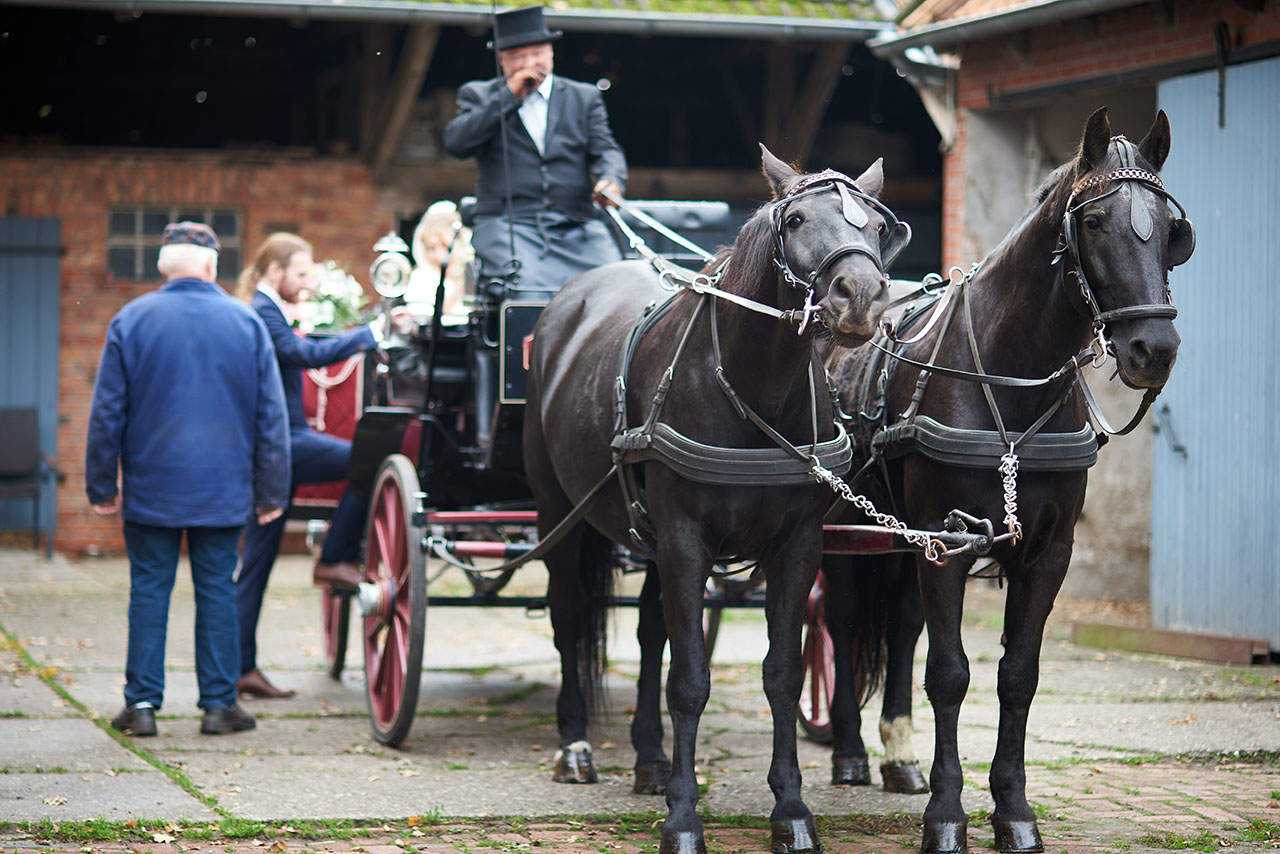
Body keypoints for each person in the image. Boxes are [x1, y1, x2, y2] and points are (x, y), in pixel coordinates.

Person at [86, 222, 290, 738]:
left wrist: (101, 484)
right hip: (223, 489)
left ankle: (142, 706)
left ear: (162, 265)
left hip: (153, 486)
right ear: (211, 265)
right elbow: (271, 416)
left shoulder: (131, 320)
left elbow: (107, 411)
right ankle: (220, 706)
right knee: (218, 590)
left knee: (149, 590)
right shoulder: (245, 323)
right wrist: (271, 490)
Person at [233, 232, 407, 700]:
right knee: (368, 459)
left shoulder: (269, 307)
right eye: (303, 272)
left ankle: (240, 669)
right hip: (281, 443)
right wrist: (369, 335)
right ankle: (332, 558)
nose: (309, 282)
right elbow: (301, 355)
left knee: (256, 564)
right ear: (276, 270)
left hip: (284, 441)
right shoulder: (262, 309)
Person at [444, 5, 627, 292]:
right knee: (527, 292)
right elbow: (457, 143)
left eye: (538, 54)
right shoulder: (479, 95)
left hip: (576, 225)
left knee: (616, 285)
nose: (530, 63)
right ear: (502, 61)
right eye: (518, 57)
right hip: (508, 225)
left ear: (551, 53)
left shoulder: (583, 97)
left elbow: (606, 150)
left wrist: (611, 180)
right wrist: (508, 96)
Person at [404, 200, 473, 323]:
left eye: (445, 246)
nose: (438, 256)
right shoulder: (420, 279)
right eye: (431, 248)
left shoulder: (470, 277)